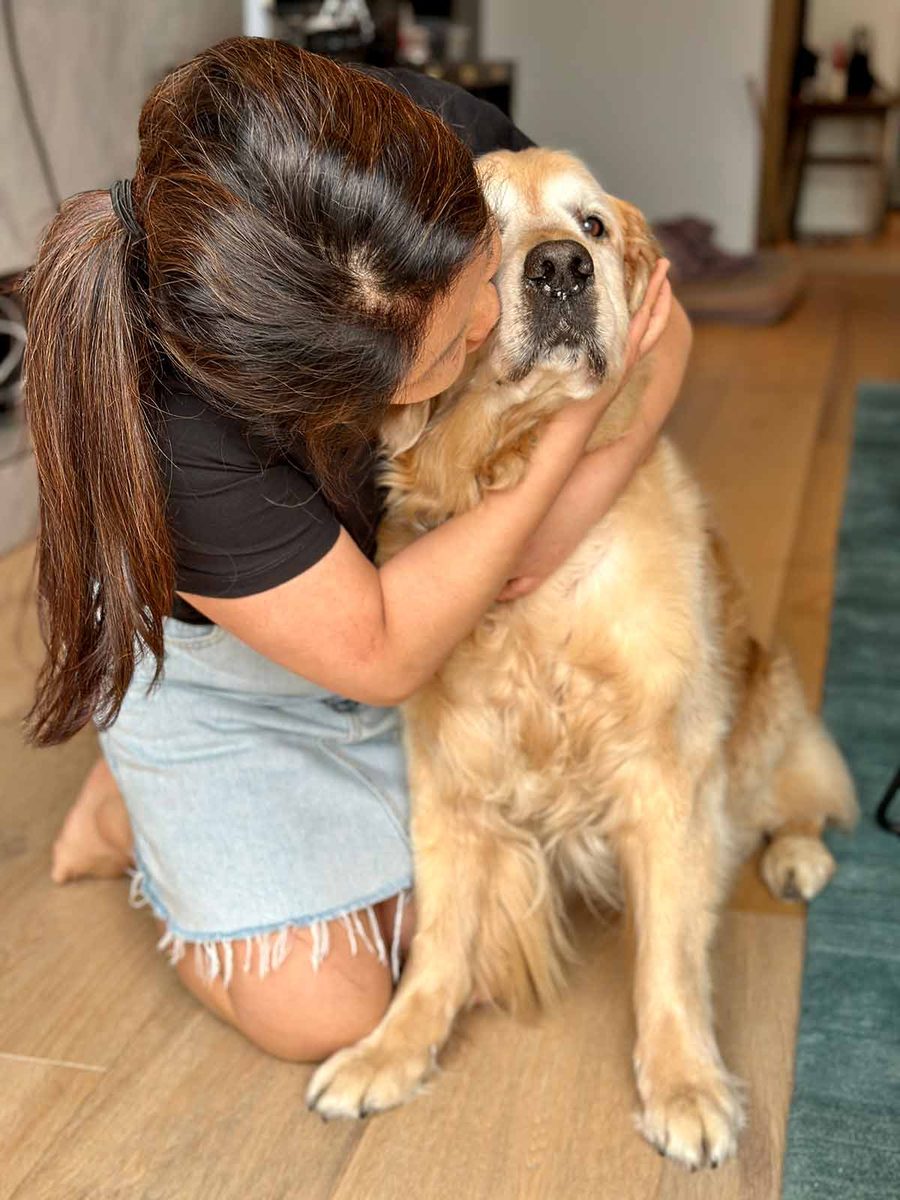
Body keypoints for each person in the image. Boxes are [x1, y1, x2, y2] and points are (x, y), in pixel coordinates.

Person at [24, 37, 687, 1064]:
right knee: (329, 1010)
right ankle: (130, 812)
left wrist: (551, 523)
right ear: (330, 396)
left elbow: (660, 327)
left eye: (482, 271)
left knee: (491, 919)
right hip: (258, 662)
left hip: (419, 596)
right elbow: (380, 649)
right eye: (453, 345)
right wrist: (565, 444)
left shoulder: (418, 149)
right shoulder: (178, 434)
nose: (492, 317)